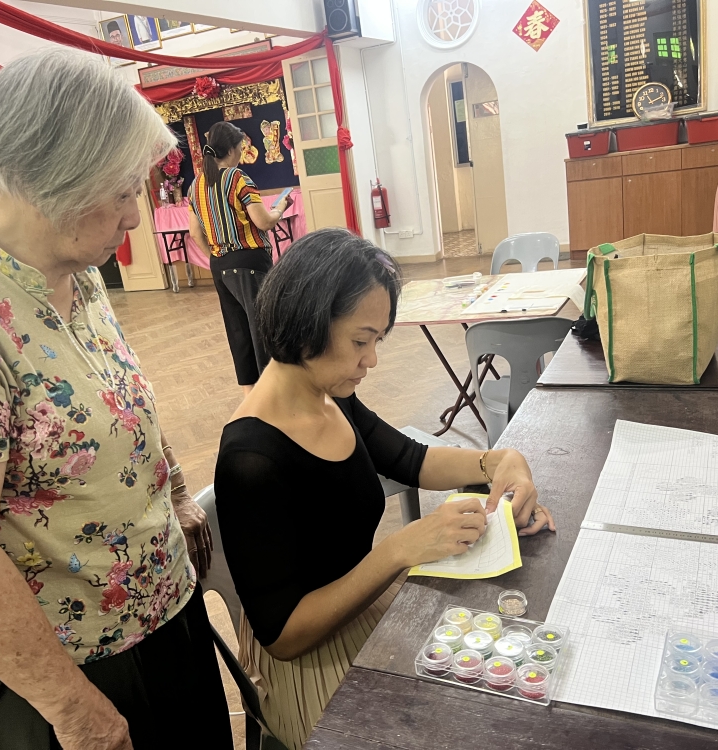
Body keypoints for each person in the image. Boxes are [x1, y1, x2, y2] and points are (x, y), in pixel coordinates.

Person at [0, 49, 232, 750]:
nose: (136, 216)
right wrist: (74, 709)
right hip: (65, 662)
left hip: (160, 608)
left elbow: (123, 401)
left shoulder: (74, 269)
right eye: (123, 191)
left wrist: (177, 492)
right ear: (60, 179)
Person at [214, 229, 556, 749]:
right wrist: (399, 551)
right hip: (309, 658)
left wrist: (498, 461)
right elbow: (283, 636)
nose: (371, 360)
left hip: (364, 606)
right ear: (307, 324)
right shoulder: (250, 459)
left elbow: (411, 459)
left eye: (377, 341)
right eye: (360, 341)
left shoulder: (328, 396)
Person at [187, 121, 291, 393]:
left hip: (220, 265)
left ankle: (250, 396)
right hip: (249, 262)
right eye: (240, 148)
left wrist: (217, 256)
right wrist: (280, 207)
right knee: (263, 327)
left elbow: (195, 233)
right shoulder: (237, 178)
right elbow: (264, 222)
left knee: (238, 331)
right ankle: (273, 393)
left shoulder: (195, 185)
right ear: (232, 149)